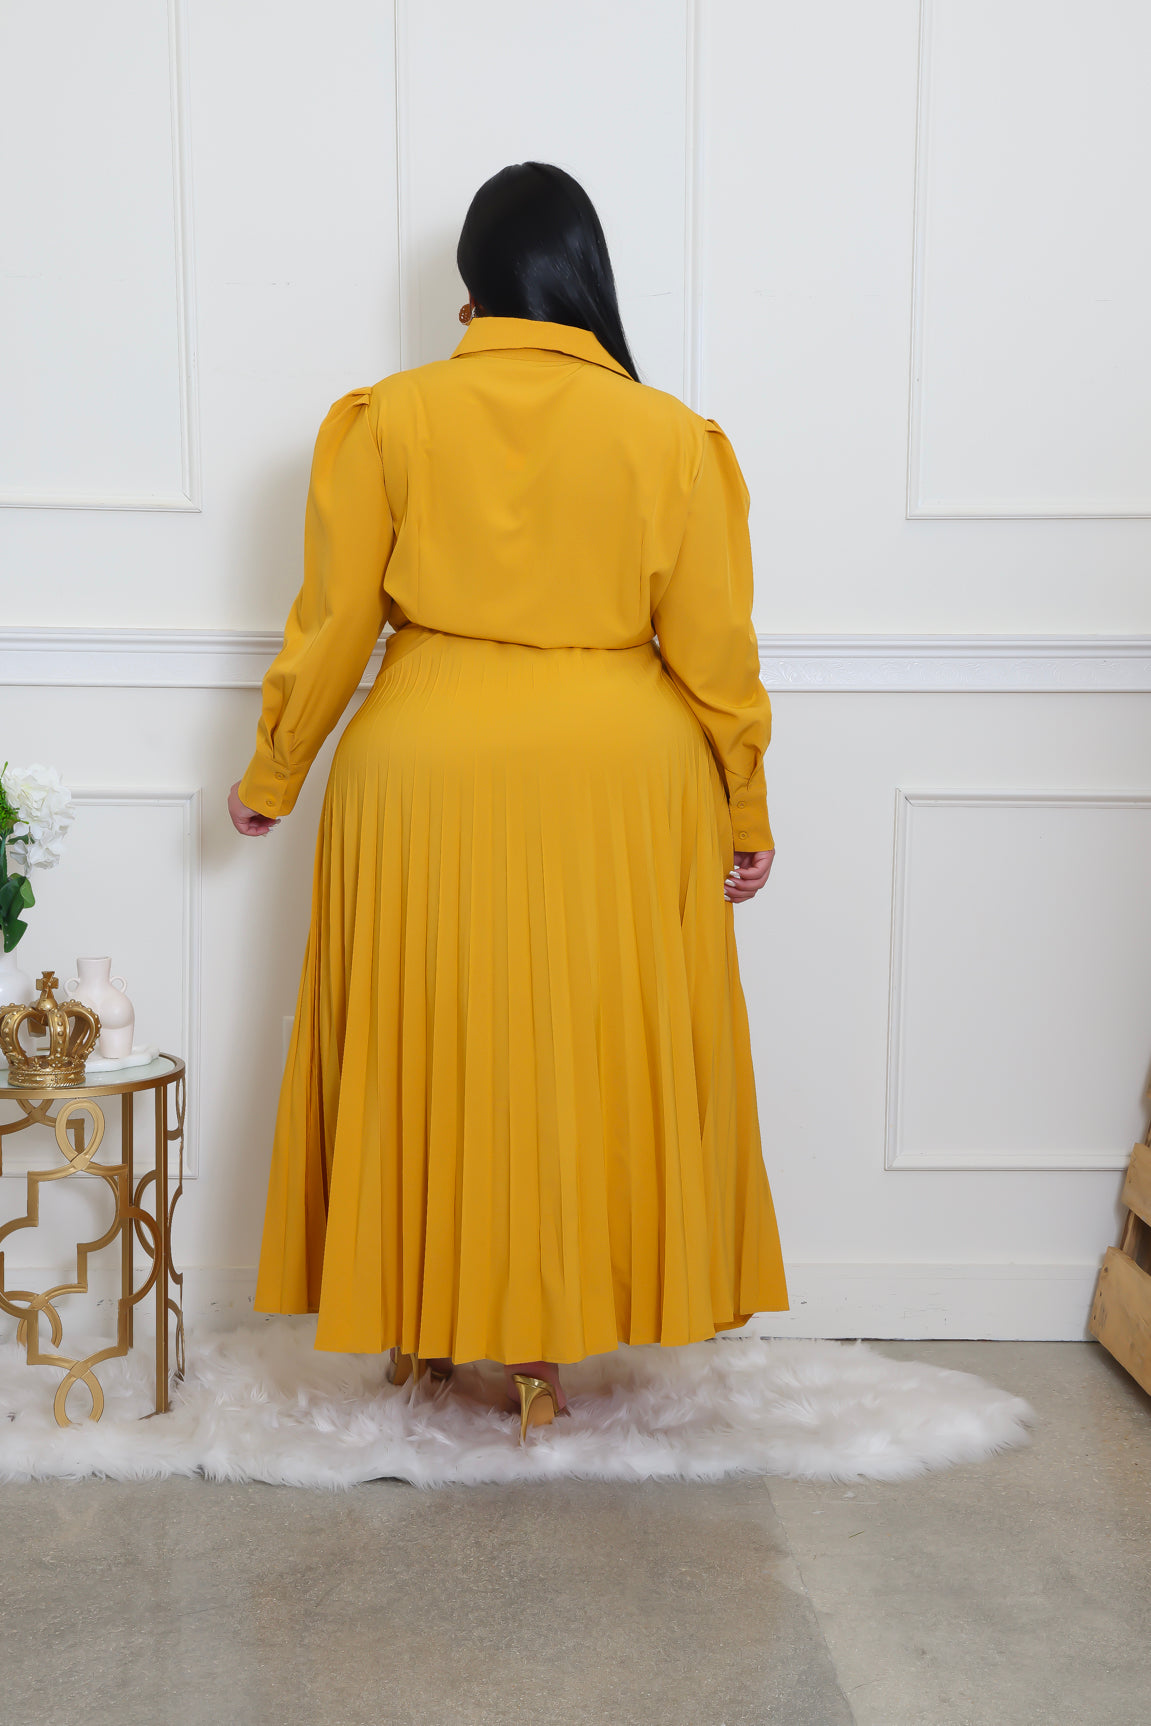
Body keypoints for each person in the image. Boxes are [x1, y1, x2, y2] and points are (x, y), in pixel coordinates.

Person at [229, 161, 788, 1444]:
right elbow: (717, 656)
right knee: (582, 1053)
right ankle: (551, 1344)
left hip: (423, 773)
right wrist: (743, 812)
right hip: (619, 783)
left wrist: (274, 773)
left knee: (431, 1038)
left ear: (472, 287)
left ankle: (426, 1325)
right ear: (583, 276)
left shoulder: (387, 419)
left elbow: (331, 622)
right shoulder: (672, 438)